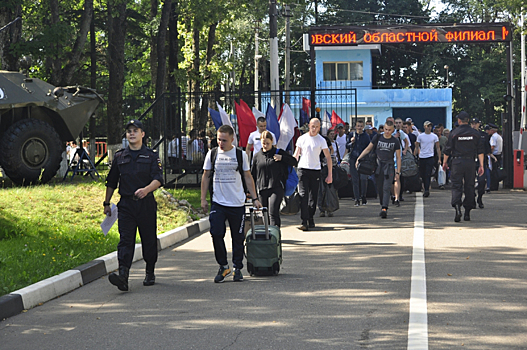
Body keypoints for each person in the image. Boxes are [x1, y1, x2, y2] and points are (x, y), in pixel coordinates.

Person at [104, 120, 164, 291]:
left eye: (135, 131)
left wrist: (146, 190)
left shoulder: (151, 156)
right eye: (129, 131)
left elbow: (159, 179)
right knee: (125, 240)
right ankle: (123, 275)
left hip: (146, 204)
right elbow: (112, 181)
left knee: (149, 239)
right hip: (126, 206)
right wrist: (107, 203)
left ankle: (150, 271)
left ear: (142, 134)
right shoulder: (120, 156)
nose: (131, 133)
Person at [201, 125, 262, 283]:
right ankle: (223, 266)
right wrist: (203, 199)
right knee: (216, 233)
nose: (221, 143)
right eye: (219, 139)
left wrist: (255, 199)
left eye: (224, 140)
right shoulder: (212, 154)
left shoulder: (240, 155)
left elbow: (248, 177)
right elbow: (206, 176)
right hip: (218, 202)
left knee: (237, 236)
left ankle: (237, 268)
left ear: (232, 139)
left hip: (237, 203)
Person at [443, 111, 484, 222]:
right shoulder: (475, 133)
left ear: (459, 121)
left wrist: (444, 162)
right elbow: (480, 150)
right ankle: (467, 212)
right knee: (469, 186)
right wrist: (481, 165)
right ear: (468, 121)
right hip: (470, 162)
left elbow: (447, 149)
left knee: (456, 185)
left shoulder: (454, 133)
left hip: (457, 162)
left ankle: (457, 208)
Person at [356, 120, 401, 219]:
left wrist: (398, 171)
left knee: (386, 188)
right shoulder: (378, 137)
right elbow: (368, 148)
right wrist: (359, 158)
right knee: (380, 188)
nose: (387, 132)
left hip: (389, 166)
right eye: (385, 129)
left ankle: (384, 208)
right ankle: (382, 204)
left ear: (392, 130)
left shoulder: (395, 141)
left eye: (389, 130)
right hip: (378, 166)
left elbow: (398, 157)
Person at [293, 118, 333, 231]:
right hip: (302, 169)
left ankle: (310, 218)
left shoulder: (321, 140)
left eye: (316, 127)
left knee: (313, 197)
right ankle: (304, 221)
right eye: (312, 126)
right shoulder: (302, 139)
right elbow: (296, 154)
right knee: (303, 195)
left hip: (315, 170)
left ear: (319, 128)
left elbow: (328, 157)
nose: (314, 129)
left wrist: (330, 175)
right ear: (309, 126)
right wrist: (291, 167)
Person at [252, 131, 298, 226]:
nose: (265, 145)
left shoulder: (278, 152)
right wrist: (250, 192)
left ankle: (275, 236)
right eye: (263, 143)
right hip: (262, 189)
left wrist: (282, 158)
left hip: (276, 187)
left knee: (273, 213)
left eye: (267, 143)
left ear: (272, 141)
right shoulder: (257, 156)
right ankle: (267, 236)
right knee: (264, 214)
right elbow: (253, 174)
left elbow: (294, 162)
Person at [346, 119, 371, 206]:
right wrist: (351, 142)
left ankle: (363, 196)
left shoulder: (366, 136)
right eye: (358, 126)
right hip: (353, 158)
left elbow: (369, 147)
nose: (359, 128)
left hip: (363, 159)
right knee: (355, 179)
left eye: (361, 126)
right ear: (355, 126)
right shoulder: (351, 135)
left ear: (363, 127)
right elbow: (347, 146)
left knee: (363, 179)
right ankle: (357, 198)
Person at [414, 121, 440, 197]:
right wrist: (414, 155)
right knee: (422, 174)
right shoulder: (420, 136)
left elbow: (438, 147)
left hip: (430, 157)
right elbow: (417, 146)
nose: (429, 128)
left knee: (428, 173)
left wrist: (439, 158)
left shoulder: (434, 136)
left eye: (430, 126)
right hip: (422, 157)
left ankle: (426, 189)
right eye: (428, 126)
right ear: (424, 127)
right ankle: (424, 186)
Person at [470, 118, 491, 208]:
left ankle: (480, 197)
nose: (474, 125)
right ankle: (472, 198)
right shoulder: (468, 134)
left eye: (476, 123)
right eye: (472, 123)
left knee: (482, 181)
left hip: (481, 161)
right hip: (470, 160)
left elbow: (487, 149)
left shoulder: (484, 135)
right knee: (469, 182)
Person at [318, 135, 339, 217]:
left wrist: (329, 157)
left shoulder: (324, 139)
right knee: (321, 190)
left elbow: (331, 149)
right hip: (318, 167)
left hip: (326, 167)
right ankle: (322, 209)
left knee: (329, 189)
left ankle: (329, 209)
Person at [488, 123, 503, 191]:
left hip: (494, 155)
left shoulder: (493, 137)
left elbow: (492, 146)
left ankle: (493, 186)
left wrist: (489, 152)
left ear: (492, 131)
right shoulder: (499, 136)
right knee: (496, 171)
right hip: (499, 154)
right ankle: (495, 185)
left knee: (493, 171)